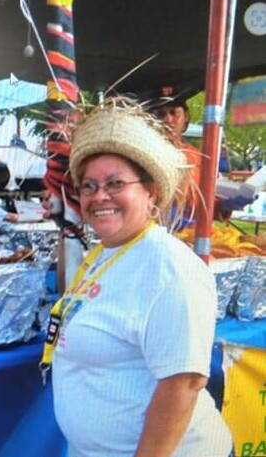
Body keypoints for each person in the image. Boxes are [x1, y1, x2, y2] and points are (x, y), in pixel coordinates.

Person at [42, 98, 233, 457]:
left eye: (115, 184)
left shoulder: (170, 268)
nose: (100, 196)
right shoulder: (102, 253)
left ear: (151, 193)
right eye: (89, 186)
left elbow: (185, 383)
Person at [150, 90, 251, 221]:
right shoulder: (142, 156)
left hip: (191, 235)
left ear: (186, 116)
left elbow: (204, 202)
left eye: (174, 113)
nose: (168, 119)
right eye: (161, 114)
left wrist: (223, 206)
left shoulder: (197, 158)